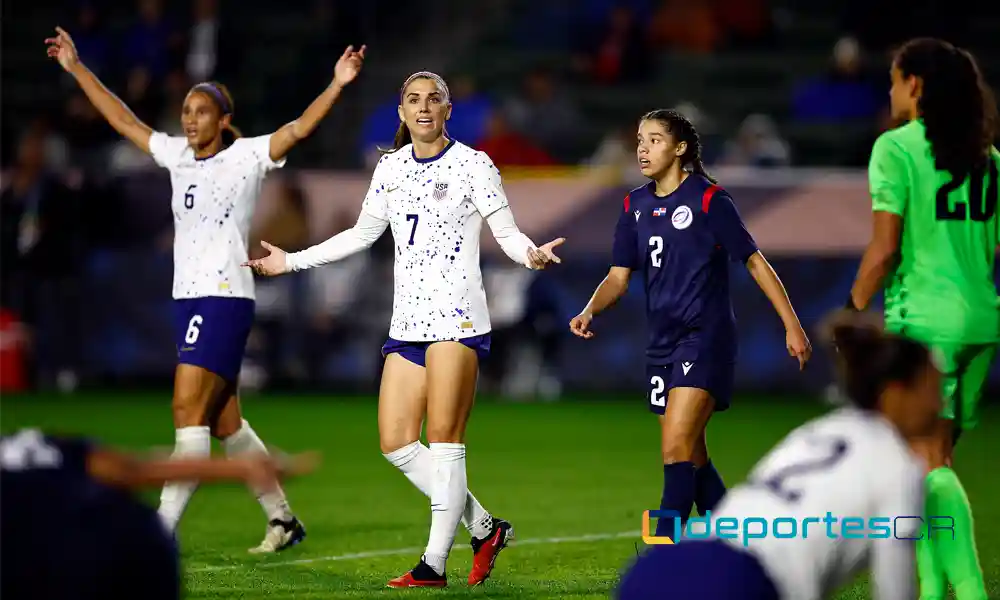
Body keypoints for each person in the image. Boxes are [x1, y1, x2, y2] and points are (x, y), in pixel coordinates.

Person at [45, 26, 366, 552]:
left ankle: (157, 533)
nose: (189, 119)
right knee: (223, 421)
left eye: (200, 111)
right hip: (188, 299)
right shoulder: (175, 155)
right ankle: (283, 520)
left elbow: (299, 129)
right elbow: (123, 119)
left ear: (223, 120)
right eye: (187, 111)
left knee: (185, 412)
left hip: (223, 295)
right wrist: (77, 67)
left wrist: (336, 84)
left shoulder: (247, 157)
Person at [244, 71, 566, 587]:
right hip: (409, 321)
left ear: (447, 110)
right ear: (400, 111)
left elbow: (506, 234)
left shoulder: (473, 164)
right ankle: (483, 528)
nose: (422, 107)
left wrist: (531, 255)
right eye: (413, 100)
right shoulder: (390, 167)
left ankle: (432, 566)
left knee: (444, 442)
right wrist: (292, 262)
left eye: (432, 99)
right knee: (396, 444)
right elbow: (361, 234)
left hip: (457, 317)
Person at [570, 109, 811, 542]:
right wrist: (590, 310)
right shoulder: (634, 205)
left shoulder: (708, 199)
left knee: (675, 447)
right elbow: (618, 276)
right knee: (693, 456)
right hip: (661, 344)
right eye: (640, 140)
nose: (643, 149)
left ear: (680, 149)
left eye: (655, 140)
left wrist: (792, 325)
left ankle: (666, 551)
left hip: (705, 338)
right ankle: (739, 542)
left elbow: (754, 262)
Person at [616, 312, 939, 600]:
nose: (940, 402)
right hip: (737, 583)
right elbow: (895, 586)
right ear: (896, 393)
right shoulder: (899, 467)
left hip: (657, 567)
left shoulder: (816, 433)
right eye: (932, 388)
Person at [847, 37, 998, 600]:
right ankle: (934, 589)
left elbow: (884, 248)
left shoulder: (897, 147)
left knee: (924, 460)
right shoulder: (990, 160)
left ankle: (969, 588)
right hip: (980, 320)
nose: (889, 90)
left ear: (915, 85)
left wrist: (855, 308)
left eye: (893, 79)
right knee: (935, 462)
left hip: (926, 320)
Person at [0, 427, 316, 600]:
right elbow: (130, 470)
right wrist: (241, 468)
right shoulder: (29, 442)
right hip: (139, 540)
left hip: (78, 561)